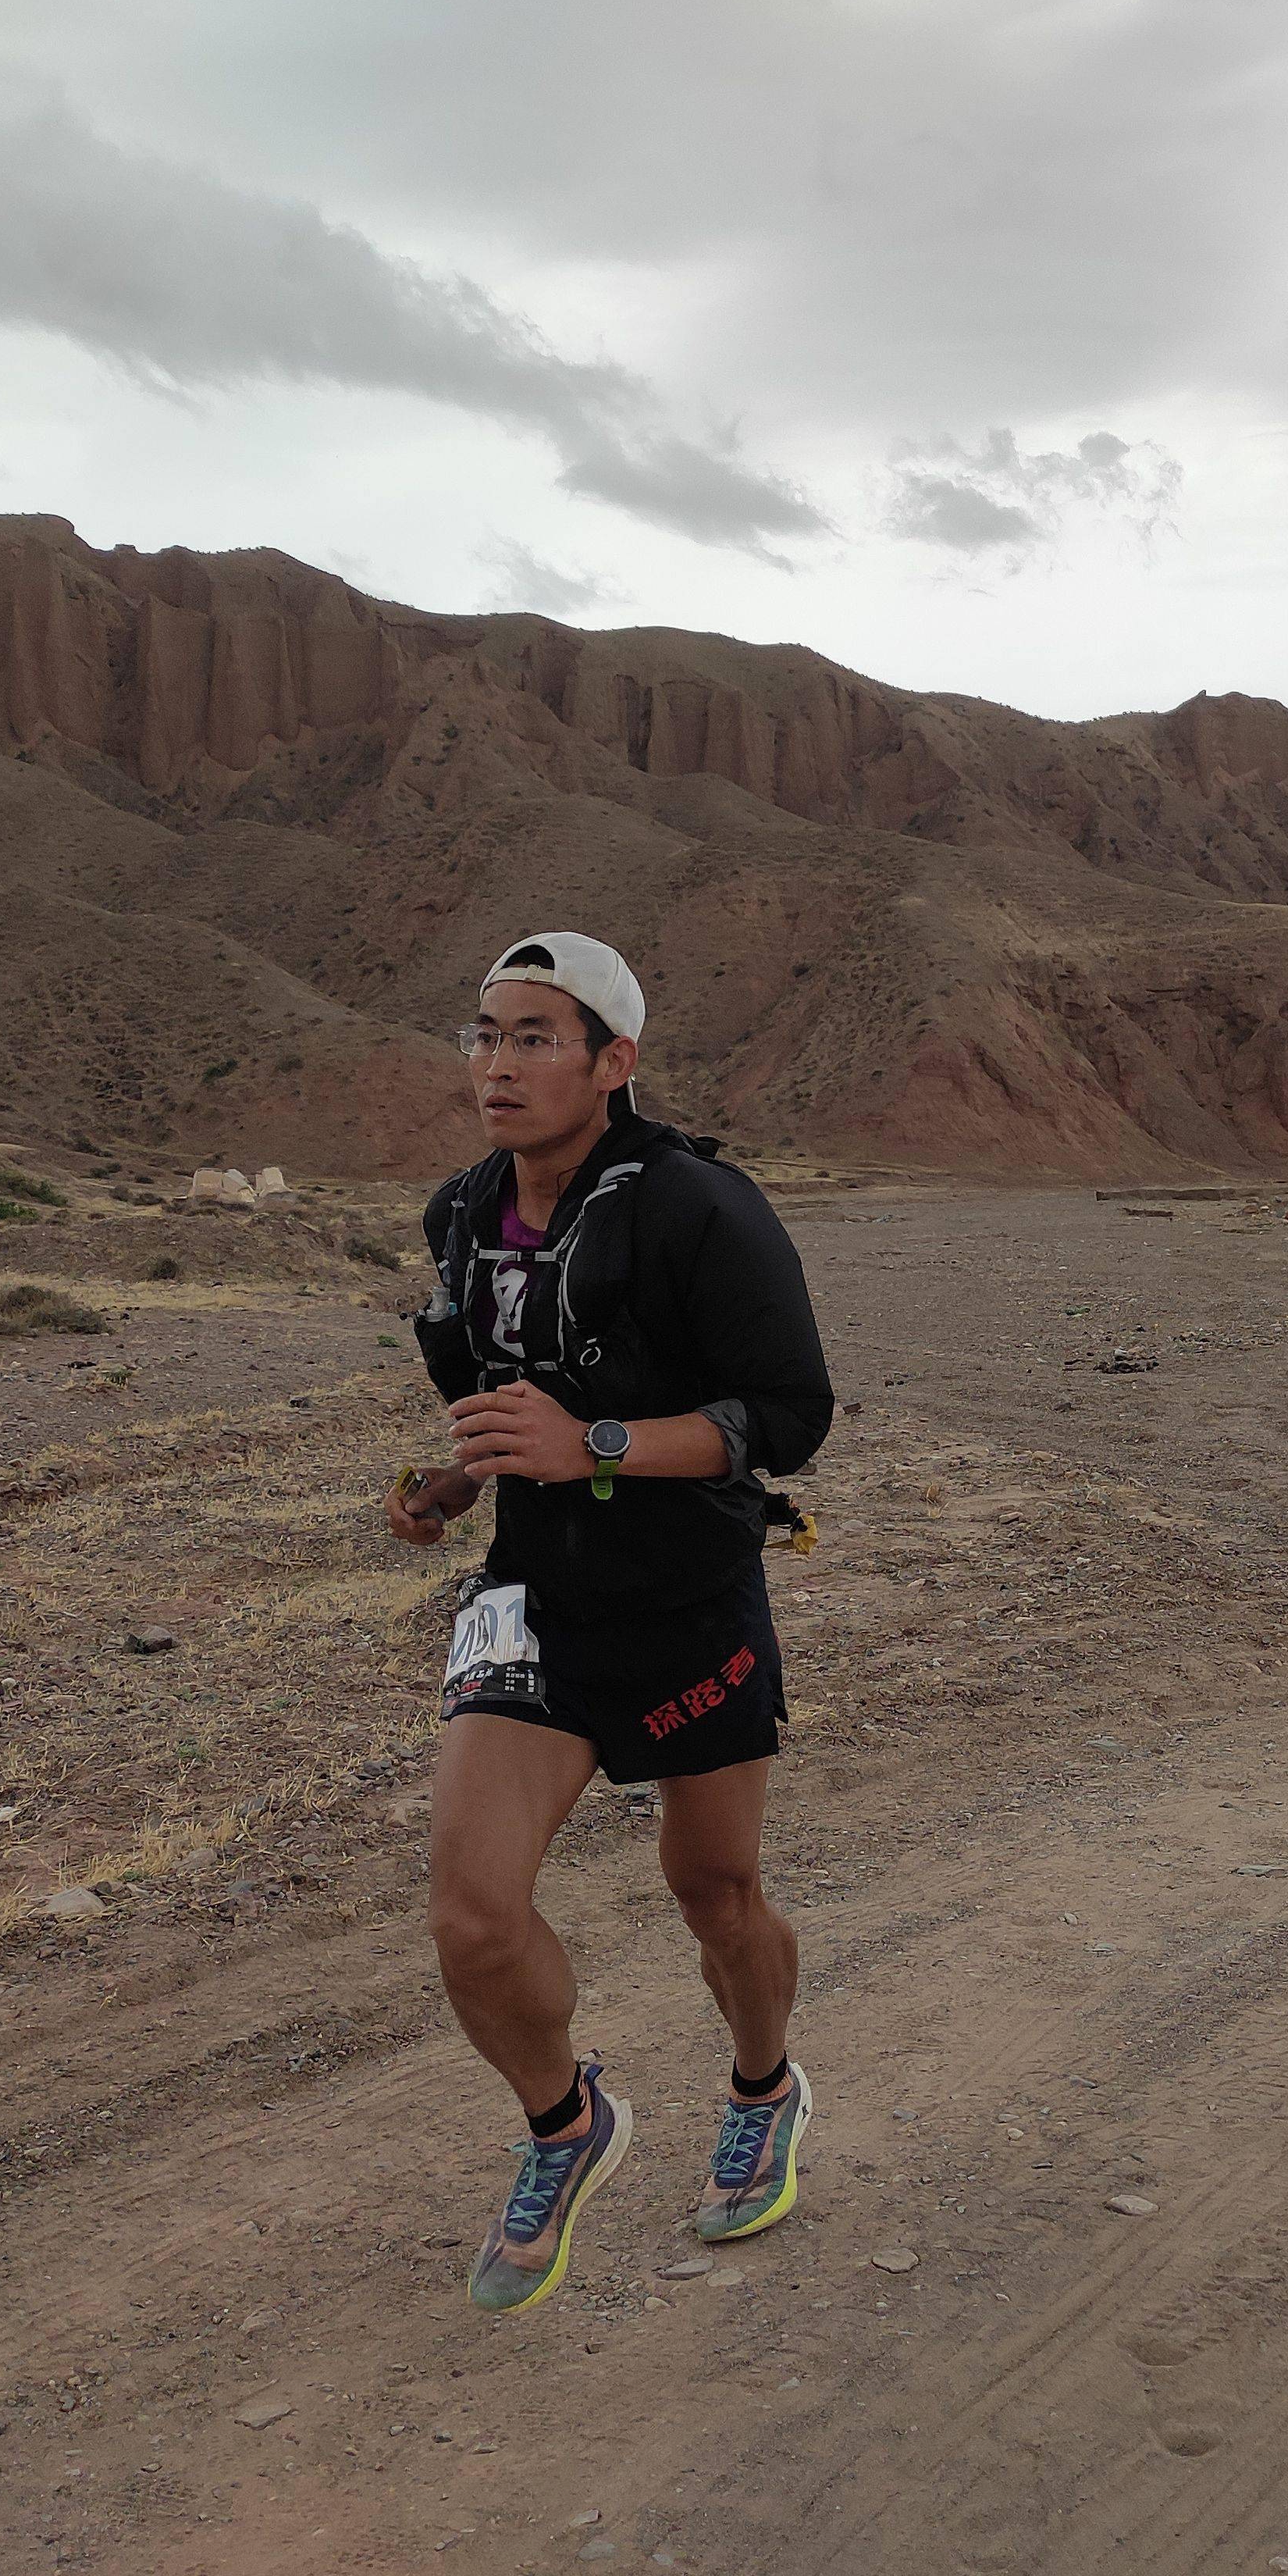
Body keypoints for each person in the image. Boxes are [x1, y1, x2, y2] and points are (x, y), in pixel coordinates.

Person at [383, 932, 834, 2314]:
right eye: (482, 1034)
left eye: (532, 1036)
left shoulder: (699, 1207)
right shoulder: (461, 1214)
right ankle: (565, 2122)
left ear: (612, 1061)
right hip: (532, 1597)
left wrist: (594, 1443)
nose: (496, 1064)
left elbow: (787, 1420)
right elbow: (511, 1387)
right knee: (470, 1915)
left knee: (713, 1892)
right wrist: (463, 1476)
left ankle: (762, 2087)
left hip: (686, 1593)